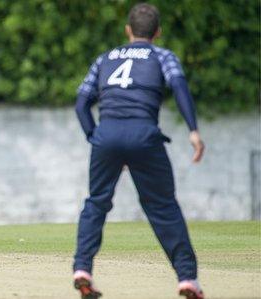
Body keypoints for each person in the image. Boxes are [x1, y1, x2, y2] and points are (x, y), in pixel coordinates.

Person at [72, 3, 205, 299]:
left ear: (128, 30)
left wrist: (96, 138)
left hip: (106, 135)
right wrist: (193, 130)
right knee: (163, 207)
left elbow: (81, 104)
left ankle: (82, 269)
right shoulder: (162, 56)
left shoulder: (104, 58)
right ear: (157, 32)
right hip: (144, 135)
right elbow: (179, 87)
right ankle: (187, 278)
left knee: (96, 202)